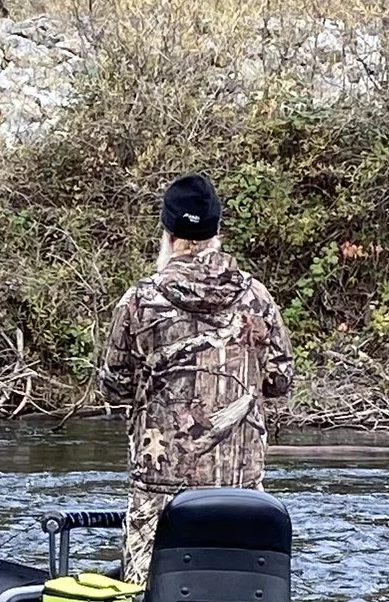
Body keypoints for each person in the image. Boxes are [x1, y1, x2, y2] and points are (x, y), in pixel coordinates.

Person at [96, 173, 295, 581]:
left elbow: (113, 385)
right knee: (235, 593)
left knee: (143, 598)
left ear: (167, 233)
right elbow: (280, 381)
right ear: (217, 231)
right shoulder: (257, 297)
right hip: (241, 491)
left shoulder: (140, 300)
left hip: (160, 489)